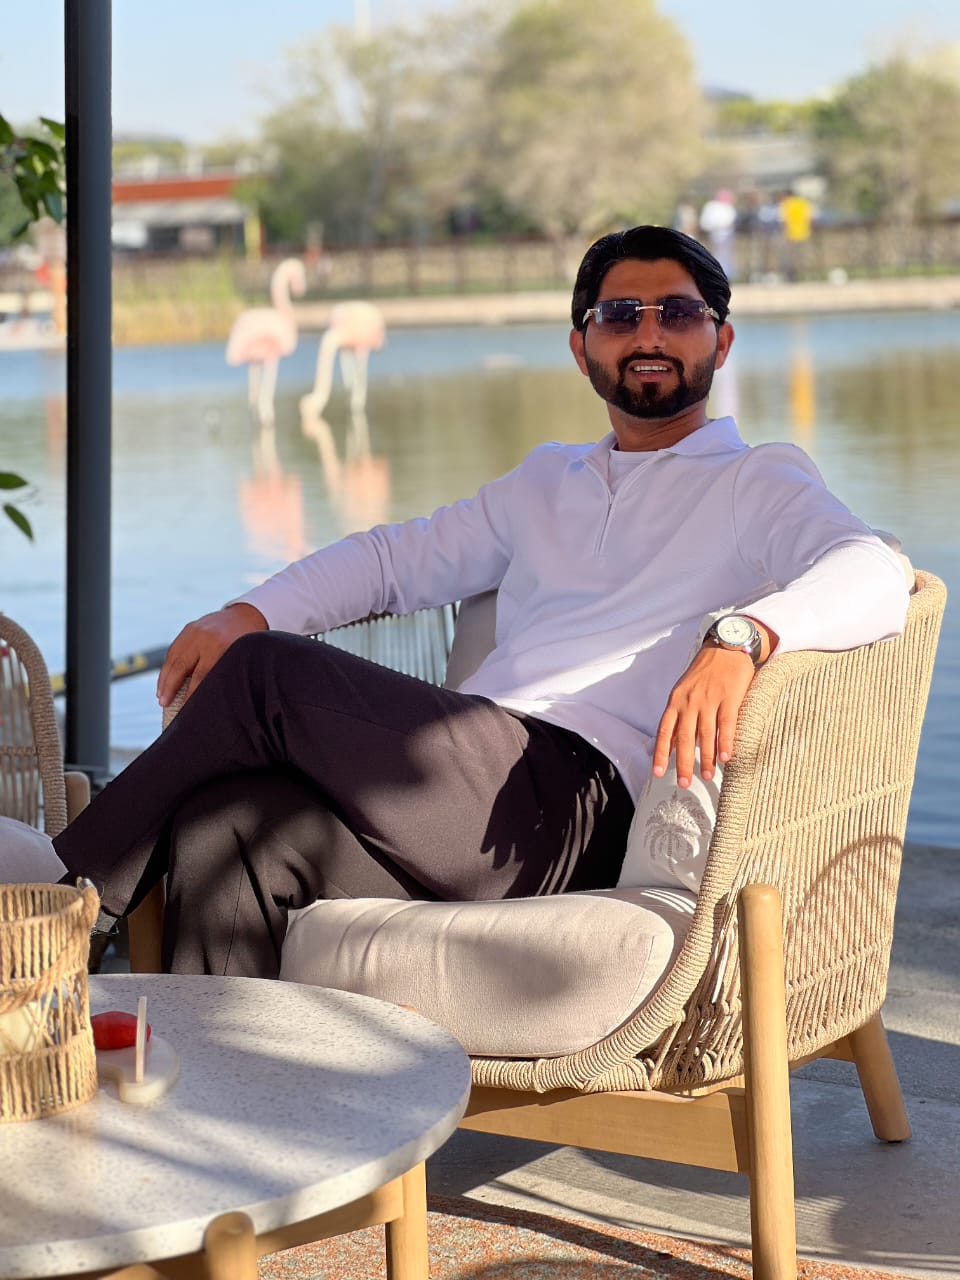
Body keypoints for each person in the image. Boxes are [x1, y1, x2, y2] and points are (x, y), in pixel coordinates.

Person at [52, 225, 908, 978]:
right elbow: (395, 559)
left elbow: (874, 569)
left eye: (678, 313)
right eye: (620, 315)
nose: (649, 334)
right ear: (581, 347)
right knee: (230, 829)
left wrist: (745, 635)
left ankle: (53, 912)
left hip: (575, 806)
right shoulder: (548, 479)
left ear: (721, 343)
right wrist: (250, 610)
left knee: (263, 673)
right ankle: (235, 1091)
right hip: (468, 792)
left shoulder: (756, 479)